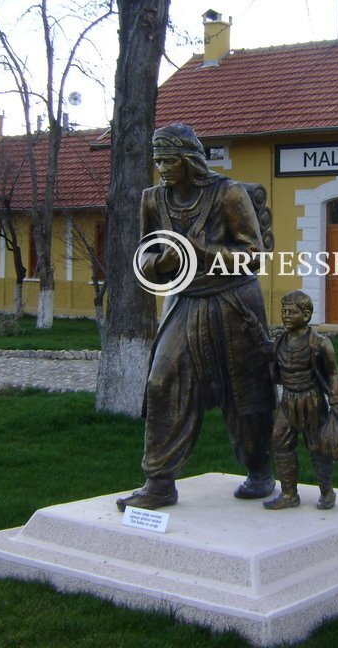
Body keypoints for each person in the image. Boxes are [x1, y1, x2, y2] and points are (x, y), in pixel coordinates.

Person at [116, 124, 276, 511]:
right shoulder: (153, 200)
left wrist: (199, 250)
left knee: (247, 393)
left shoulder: (228, 194)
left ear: (190, 160)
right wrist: (162, 262)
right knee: (161, 382)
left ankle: (260, 469)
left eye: (170, 160)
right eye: (157, 161)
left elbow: (254, 256)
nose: (163, 168)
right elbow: (144, 259)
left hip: (234, 302)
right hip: (185, 301)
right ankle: (159, 482)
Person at [264, 290, 338, 511]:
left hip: (312, 401)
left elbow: (333, 372)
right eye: (284, 311)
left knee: (318, 447)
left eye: (292, 312)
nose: (286, 315)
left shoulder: (320, 343)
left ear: (306, 315)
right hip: (288, 401)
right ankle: (289, 493)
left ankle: (327, 491)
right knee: (280, 442)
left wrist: (336, 400)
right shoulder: (280, 341)